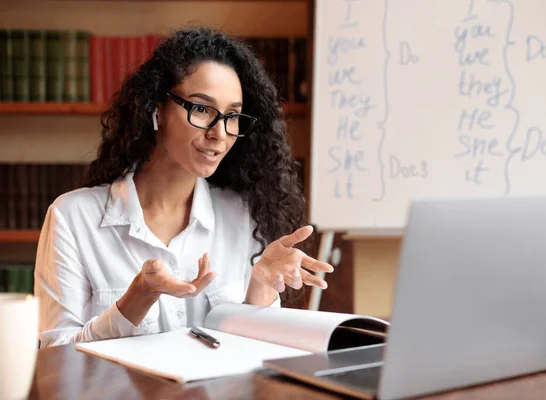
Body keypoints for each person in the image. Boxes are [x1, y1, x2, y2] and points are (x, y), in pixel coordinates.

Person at [34, 27, 334, 348]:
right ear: (157, 109)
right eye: (202, 109)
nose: (220, 133)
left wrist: (261, 288)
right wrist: (135, 300)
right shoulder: (72, 217)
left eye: (232, 116)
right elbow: (57, 356)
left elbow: (252, 358)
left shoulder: (241, 215)